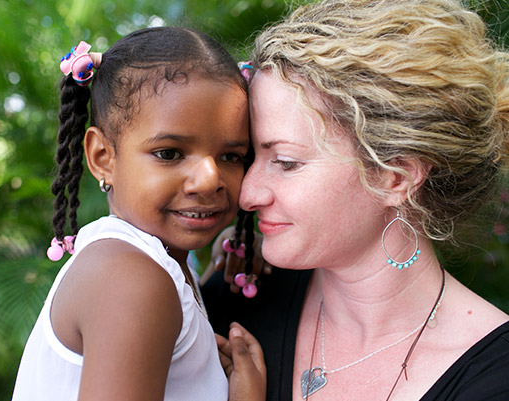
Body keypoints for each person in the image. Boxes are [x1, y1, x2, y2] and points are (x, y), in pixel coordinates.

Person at [202, 0, 509, 400]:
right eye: (248, 158)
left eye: (286, 162)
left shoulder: (492, 383)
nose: (247, 194)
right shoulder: (238, 302)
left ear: (394, 177)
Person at [11, 26, 265, 401]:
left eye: (231, 156)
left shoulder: (152, 264)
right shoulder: (131, 281)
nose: (210, 180)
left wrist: (227, 252)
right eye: (169, 153)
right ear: (102, 158)